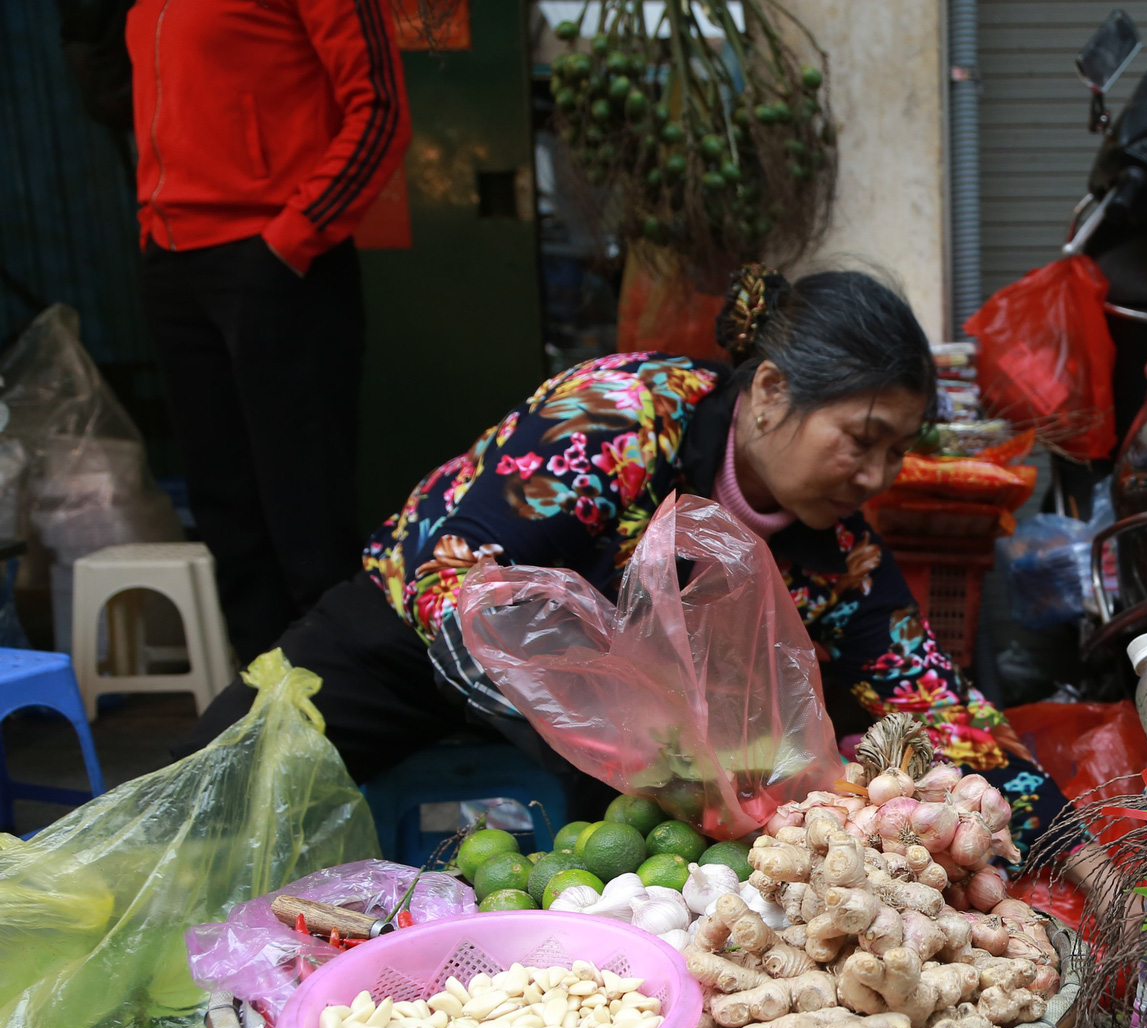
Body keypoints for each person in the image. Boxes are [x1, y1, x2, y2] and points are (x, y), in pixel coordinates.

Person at [186, 266, 1070, 854]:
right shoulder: (622, 418)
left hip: (633, 755)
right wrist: (643, 739)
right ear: (769, 393)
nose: (876, 477)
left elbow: (933, 704)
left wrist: (1070, 847)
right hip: (403, 649)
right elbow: (453, 579)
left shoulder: (834, 549)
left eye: (898, 450)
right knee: (213, 801)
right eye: (862, 440)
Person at [128, 0, 411, 665]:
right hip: (172, 258)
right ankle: (261, 701)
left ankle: (334, 704)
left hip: (276, 257)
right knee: (226, 509)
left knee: (304, 510)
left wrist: (291, 238)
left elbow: (380, 110)